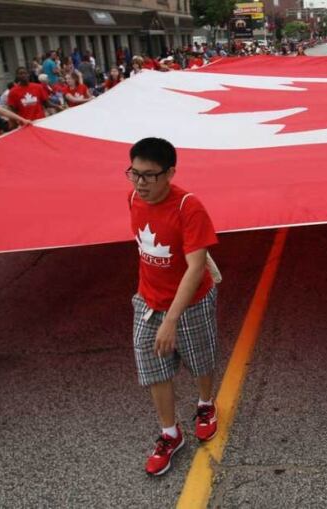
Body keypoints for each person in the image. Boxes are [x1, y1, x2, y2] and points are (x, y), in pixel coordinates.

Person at [127, 137, 220, 476]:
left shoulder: (189, 208)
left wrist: (172, 319)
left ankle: (206, 404)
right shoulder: (134, 198)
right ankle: (170, 433)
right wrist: (157, 309)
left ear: (170, 173)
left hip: (191, 301)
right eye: (134, 173)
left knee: (200, 359)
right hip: (148, 300)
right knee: (153, 366)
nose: (140, 183)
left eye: (149, 175)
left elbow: (196, 267)